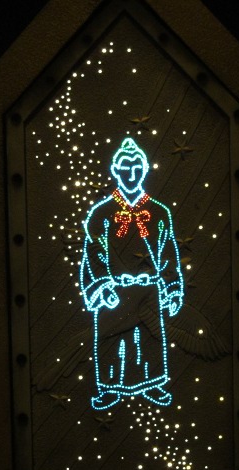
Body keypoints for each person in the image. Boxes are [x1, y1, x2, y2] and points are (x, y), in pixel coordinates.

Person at [80, 137, 184, 410]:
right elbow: (93, 251)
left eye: (137, 168)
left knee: (151, 335)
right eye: (125, 168)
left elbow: (168, 250)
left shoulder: (159, 212)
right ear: (116, 170)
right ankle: (109, 387)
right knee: (111, 336)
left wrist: (172, 288)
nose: (131, 173)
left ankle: (153, 382)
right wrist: (103, 285)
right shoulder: (101, 213)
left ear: (144, 170)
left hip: (149, 288)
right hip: (116, 289)